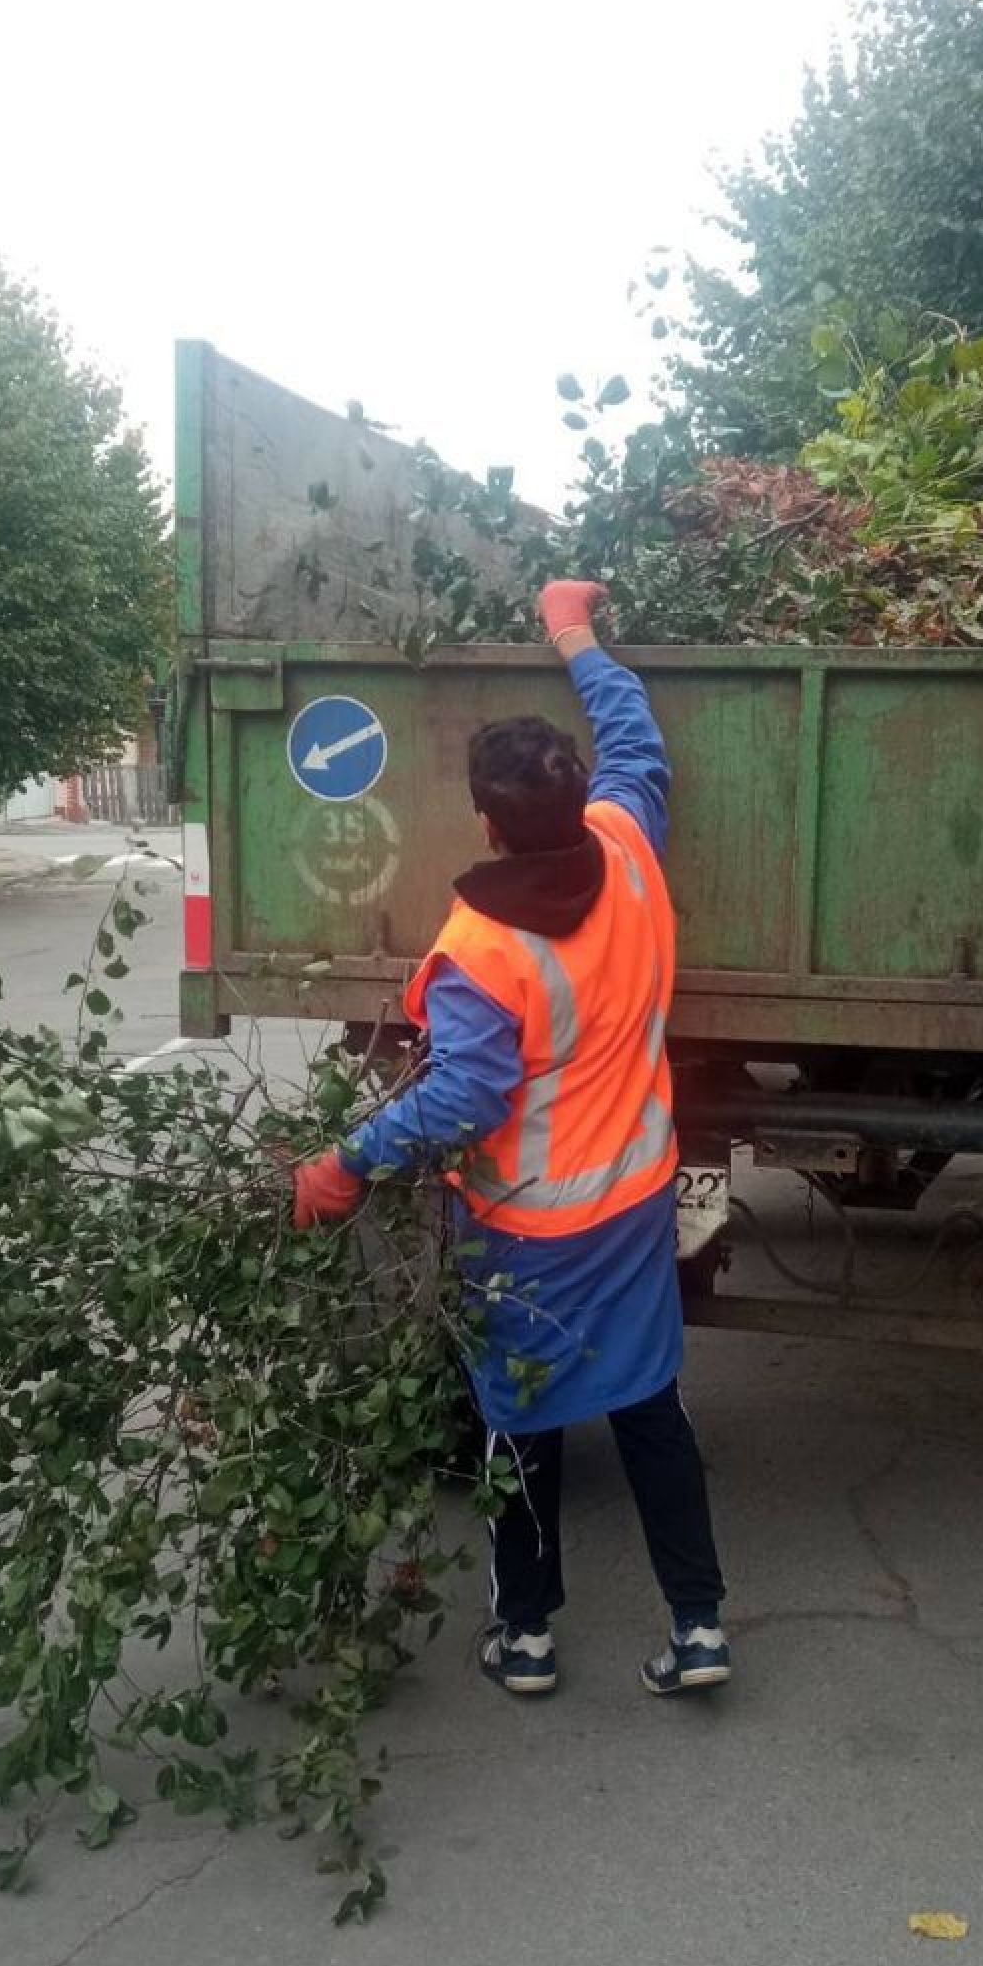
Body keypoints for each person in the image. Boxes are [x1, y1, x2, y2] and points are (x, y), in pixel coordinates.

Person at [289, 578, 730, 1700]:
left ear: (486, 824)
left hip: (523, 1230)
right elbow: (636, 738)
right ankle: (698, 1628)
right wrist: (574, 632)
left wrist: (345, 1161)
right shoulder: (628, 845)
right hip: (630, 1205)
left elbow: (465, 1097)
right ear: (579, 797)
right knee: (649, 1404)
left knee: (519, 1420)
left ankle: (525, 1636)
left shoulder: (481, 947)